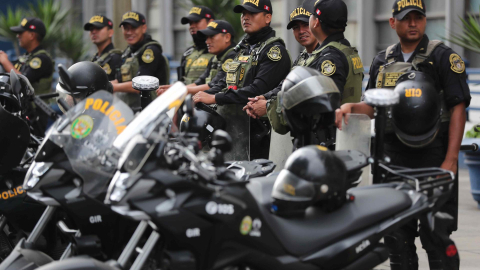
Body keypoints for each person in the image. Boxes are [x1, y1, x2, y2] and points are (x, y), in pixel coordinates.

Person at [335, 1, 470, 269]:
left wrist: (451, 159)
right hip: (392, 157)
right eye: (406, 18)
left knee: (437, 235)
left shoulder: (442, 56)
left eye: (418, 18)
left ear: (424, 20)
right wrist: (352, 107)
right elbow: (373, 106)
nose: (412, 23)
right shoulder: (382, 60)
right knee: (396, 237)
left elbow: (458, 107)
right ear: (392, 22)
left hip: (434, 155)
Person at [244, 0, 363, 138]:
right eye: (296, 27)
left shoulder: (330, 58)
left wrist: (268, 106)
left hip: (331, 140)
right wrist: (266, 98)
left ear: (316, 22)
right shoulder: (328, 53)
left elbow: (319, 104)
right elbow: (288, 87)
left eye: (308, 21)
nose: (301, 31)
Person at [192, 0, 292, 160]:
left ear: (267, 18)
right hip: (236, 132)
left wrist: (215, 98)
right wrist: (198, 97)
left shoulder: (274, 52)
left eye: (252, 13)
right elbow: (223, 83)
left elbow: (256, 90)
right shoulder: (244, 49)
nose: (245, 17)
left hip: (260, 137)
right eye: (243, 14)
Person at [157, 20, 236, 96]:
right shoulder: (215, 58)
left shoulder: (234, 57)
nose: (207, 41)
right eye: (206, 37)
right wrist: (174, 88)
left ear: (227, 37)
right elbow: (199, 82)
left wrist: (178, 91)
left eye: (212, 36)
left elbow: (214, 85)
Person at [111, 11, 169, 108]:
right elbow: (120, 80)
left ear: (144, 28)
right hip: (130, 111)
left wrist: (112, 87)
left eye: (133, 28)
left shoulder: (150, 50)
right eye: (126, 28)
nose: (129, 32)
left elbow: (141, 84)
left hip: (151, 109)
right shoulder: (128, 52)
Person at [0, 17, 54, 95]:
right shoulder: (27, 57)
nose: (18, 36)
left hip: (35, 106)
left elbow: (22, 82)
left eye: (21, 33)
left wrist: (5, 61)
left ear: (32, 35)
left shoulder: (42, 59)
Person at [177, 6, 216, 84]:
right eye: (190, 23)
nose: (192, 26)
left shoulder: (220, 51)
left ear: (210, 22)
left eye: (197, 21)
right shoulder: (188, 53)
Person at [84, 15, 122, 81]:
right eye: (91, 29)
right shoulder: (94, 58)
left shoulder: (116, 58)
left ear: (110, 32)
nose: (93, 32)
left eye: (98, 28)